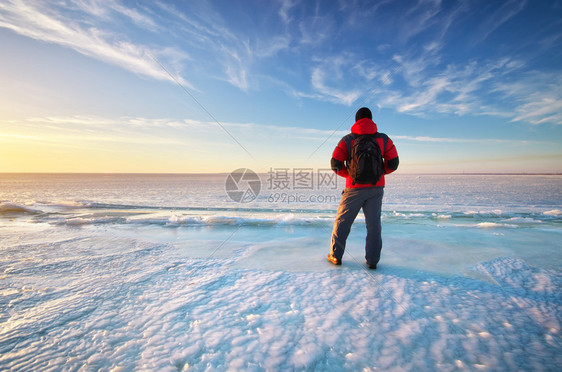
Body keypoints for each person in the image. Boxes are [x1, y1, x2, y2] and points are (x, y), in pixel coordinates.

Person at [328, 107, 399, 269]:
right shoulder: (384, 139)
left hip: (353, 189)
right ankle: (372, 261)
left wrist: (351, 176)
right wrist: (379, 174)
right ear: (371, 120)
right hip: (376, 188)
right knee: (373, 225)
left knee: (343, 222)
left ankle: (335, 256)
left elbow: (335, 164)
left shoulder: (347, 140)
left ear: (356, 121)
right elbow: (393, 163)